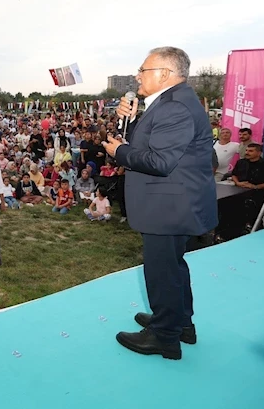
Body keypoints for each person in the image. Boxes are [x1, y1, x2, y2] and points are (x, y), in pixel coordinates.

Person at [103, 46, 217, 360]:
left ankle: (164, 337)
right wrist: (130, 121)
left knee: (162, 272)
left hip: (168, 207)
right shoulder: (173, 102)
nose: (137, 76)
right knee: (172, 267)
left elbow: (160, 161)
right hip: (174, 203)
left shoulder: (174, 107)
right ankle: (180, 323)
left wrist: (119, 152)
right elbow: (155, 142)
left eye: (143, 70)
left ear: (165, 74)